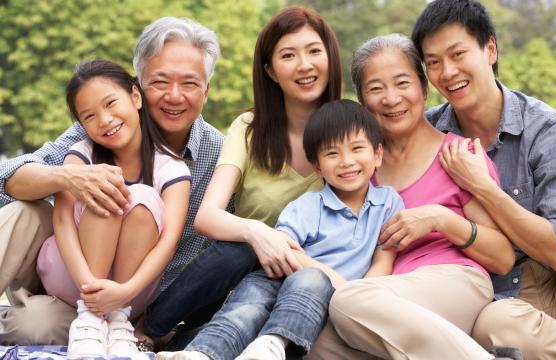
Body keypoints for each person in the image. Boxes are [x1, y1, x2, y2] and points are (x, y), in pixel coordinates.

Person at [0, 17, 258, 347]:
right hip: (68, 273)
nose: (174, 96)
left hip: (133, 307)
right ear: (137, 87)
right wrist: (68, 177)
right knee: (24, 211)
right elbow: (8, 179)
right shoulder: (103, 122)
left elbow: (222, 246)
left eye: (190, 84)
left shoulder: (219, 155)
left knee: (36, 326)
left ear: (206, 91)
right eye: (160, 82)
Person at [411, 0, 556, 359]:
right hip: (500, 305)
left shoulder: (548, 129)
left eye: (457, 54)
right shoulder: (426, 135)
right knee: (497, 325)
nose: (448, 71)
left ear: (490, 49)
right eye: (434, 62)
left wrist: (483, 188)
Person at [135, 5, 343, 352]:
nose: (304, 65)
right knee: (240, 250)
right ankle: (150, 328)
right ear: (270, 70)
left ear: (331, 58)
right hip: (243, 274)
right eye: (288, 55)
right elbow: (207, 216)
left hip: (308, 280)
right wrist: (257, 232)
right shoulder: (249, 130)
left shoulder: (351, 133)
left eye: (314, 51)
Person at [309, 34, 519, 360]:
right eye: (376, 89)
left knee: (348, 302)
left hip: (455, 282)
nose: (391, 98)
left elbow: (503, 257)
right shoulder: (357, 170)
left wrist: (442, 220)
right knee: (319, 341)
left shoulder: (458, 155)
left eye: (402, 83)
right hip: (381, 298)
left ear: (423, 88)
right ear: (363, 101)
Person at [156, 99, 403, 360]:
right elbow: (286, 250)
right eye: (332, 153)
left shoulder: (388, 203)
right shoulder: (310, 204)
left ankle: (271, 345)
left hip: (322, 296)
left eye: (356, 149)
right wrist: (337, 281)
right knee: (245, 310)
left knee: (311, 283)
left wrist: (357, 295)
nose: (346, 161)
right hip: (277, 277)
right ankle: (201, 353)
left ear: (377, 154)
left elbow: (383, 259)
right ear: (317, 167)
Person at [34, 59, 191, 358]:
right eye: (90, 116)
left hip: (131, 290)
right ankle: (91, 318)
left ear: (135, 96)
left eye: (110, 104)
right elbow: (63, 221)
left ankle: (117, 321)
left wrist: (124, 293)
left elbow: (169, 241)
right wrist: (89, 289)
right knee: (103, 183)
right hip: (71, 273)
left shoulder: (170, 167)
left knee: (141, 197)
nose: (104, 120)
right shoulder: (82, 155)